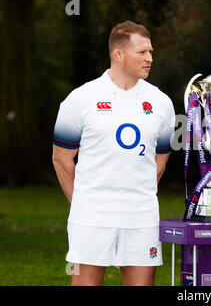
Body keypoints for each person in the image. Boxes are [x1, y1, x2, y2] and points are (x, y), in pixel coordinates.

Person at [52, 20, 175, 286]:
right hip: (91, 216)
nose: (150, 58)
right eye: (142, 52)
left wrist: (139, 192)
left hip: (142, 216)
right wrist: (83, 203)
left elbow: (162, 154)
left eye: (151, 52)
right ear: (119, 55)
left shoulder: (161, 102)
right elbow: (61, 158)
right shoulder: (81, 98)